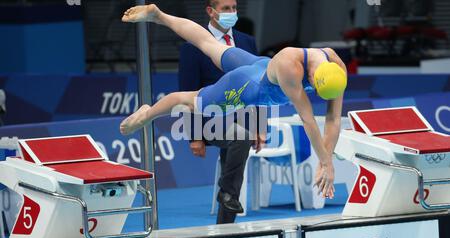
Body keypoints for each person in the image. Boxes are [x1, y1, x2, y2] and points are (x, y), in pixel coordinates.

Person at [120, 4, 348, 199]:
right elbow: (308, 120)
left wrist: (324, 160)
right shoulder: (292, 67)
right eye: (315, 90)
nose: (314, 95)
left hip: (260, 66)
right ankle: (148, 113)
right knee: (192, 102)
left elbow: (333, 119)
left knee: (209, 44)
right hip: (248, 86)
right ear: (312, 78)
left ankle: (158, 15)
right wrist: (327, 163)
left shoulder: (336, 65)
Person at [179, 0, 259, 224]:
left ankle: (225, 226)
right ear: (210, 11)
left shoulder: (247, 42)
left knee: (239, 141)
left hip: (240, 118)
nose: (232, 13)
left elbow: (258, 85)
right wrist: (194, 136)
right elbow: (186, 93)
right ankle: (228, 194)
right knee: (241, 135)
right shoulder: (192, 47)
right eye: (226, 9)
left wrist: (260, 127)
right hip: (209, 121)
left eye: (234, 8)